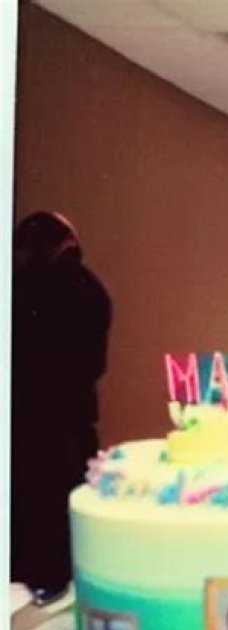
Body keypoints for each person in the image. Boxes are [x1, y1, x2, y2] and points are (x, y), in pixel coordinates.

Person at [11, 211, 112, 606]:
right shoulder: (91, 290)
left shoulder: (20, 286)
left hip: (24, 419)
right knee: (61, 509)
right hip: (69, 422)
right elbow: (94, 366)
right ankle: (54, 588)